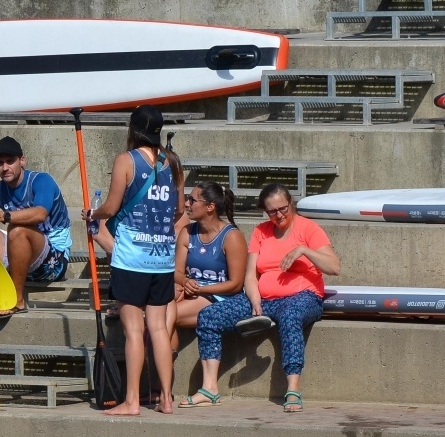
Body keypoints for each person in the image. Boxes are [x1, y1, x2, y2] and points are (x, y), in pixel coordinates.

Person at [194, 184, 340, 412]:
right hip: (264, 298)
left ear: (290, 203)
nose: (279, 215)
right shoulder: (261, 231)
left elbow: (334, 267)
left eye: (283, 209)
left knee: (290, 316)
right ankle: (209, 388)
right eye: (272, 211)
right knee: (209, 316)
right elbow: (251, 275)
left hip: (303, 296)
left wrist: (303, 250)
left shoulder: (308, 229)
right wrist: (254, 300)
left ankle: (292, 388)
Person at [90, 106, 182, 416]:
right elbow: (179, 210)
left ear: (134, 129)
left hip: (131, 258)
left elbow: (112, 207)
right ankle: (166, 399)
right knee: (158, 328)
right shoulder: (172, 162)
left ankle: (131, 401)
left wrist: (94, 213)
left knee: (132, 330)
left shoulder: (125, 160)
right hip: (163, 258)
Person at [172, 181, 247, 407]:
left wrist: (199, 288)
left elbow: (235, 284)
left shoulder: (231, 236)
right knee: (161, 316)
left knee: (164, 317)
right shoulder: (187, 232)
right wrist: (184, 281)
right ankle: (161, 384)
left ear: (210, 207)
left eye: (193, 200)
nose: (186, 204)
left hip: (222, 297)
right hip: (195, 293)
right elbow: (175, 271)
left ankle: (161, 382)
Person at [0, 136, 72, 317]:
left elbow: (40, 213)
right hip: (20, 258)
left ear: (22, 160)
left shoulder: (41, 181)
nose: (5, 167)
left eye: (10, 161)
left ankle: (17, 298)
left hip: (53, 261)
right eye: (0, 163)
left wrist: (4, 216)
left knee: (16, 229)